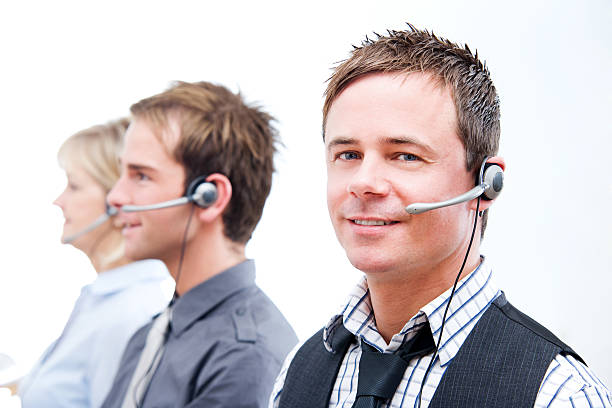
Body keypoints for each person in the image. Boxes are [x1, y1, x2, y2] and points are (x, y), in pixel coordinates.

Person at [270, 25, 611, 408]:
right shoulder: (299, 370)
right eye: (348, 155)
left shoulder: (557, 394)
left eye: (406, 156)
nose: (364, 183)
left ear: (486, 184)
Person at [101, 81, 298, 408]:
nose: (115, 196)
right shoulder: (152, 334)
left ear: (210, 198)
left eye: (141, 176)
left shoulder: (244, 357)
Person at [19, 119, 171, 408]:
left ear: (117, 201)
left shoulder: (131, 313)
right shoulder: (100, 299)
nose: (59, 201)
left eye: (74, 186)